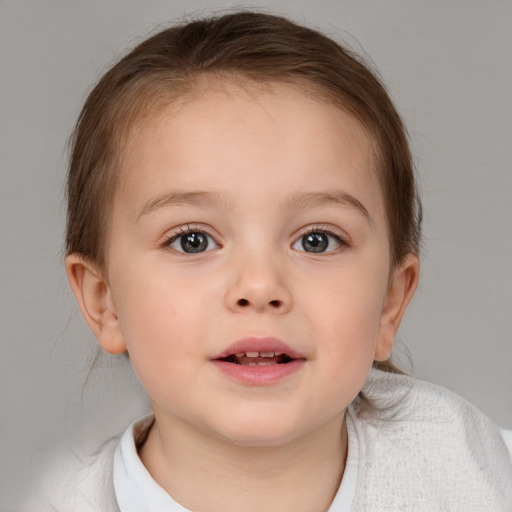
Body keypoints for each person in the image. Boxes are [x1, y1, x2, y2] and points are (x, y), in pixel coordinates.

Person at [24, 11, 512, 512]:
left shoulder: (475, 471)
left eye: (317, 240)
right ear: (104, 302)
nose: (259, 286)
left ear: (390, 301)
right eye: (192, 240)